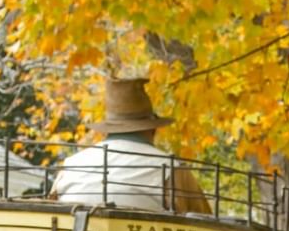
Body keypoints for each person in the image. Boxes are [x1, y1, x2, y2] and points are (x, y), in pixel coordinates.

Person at [49, 77, 212, 212]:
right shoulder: (170, 168)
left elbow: (50, 208)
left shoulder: (72, 164)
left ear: (107, 129)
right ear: (153, 129)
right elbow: (205, 221)